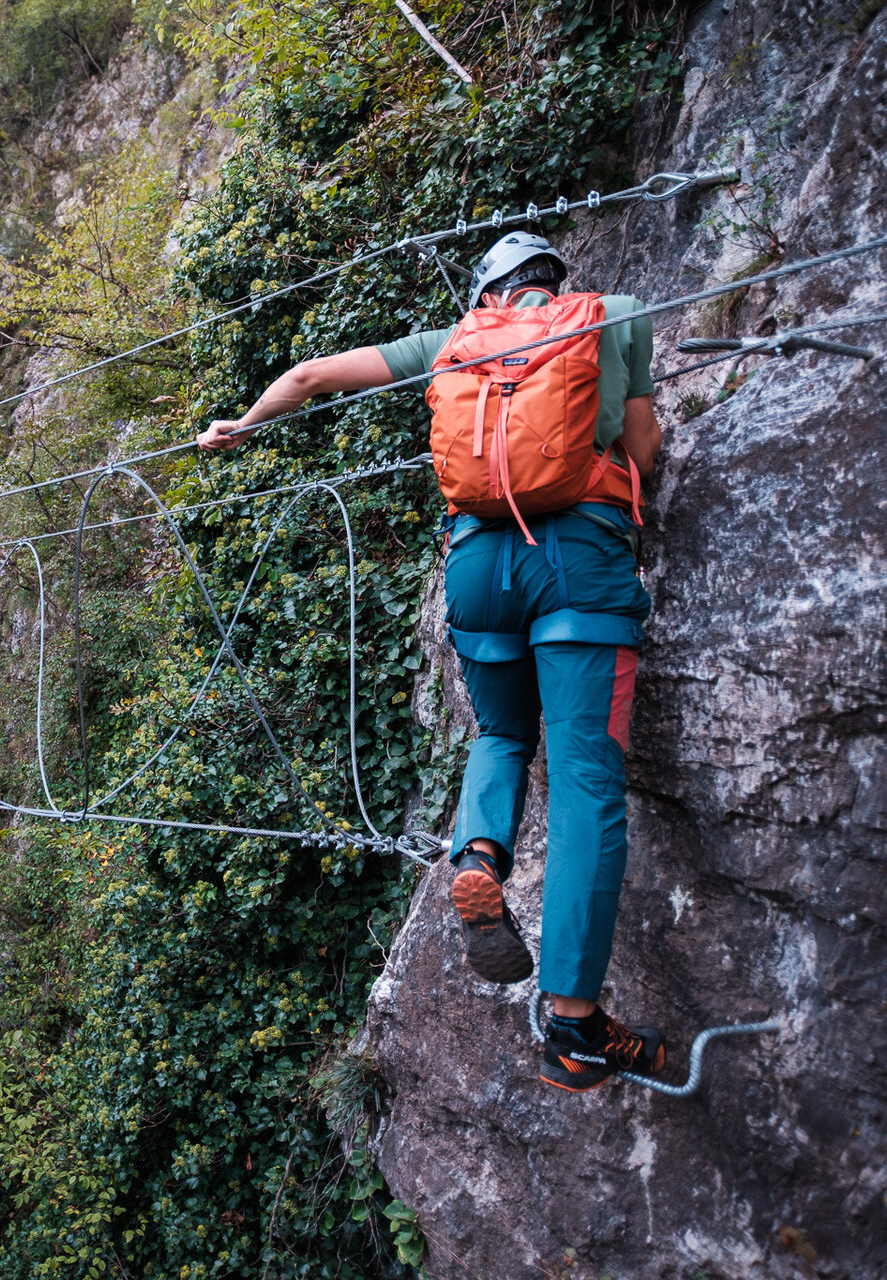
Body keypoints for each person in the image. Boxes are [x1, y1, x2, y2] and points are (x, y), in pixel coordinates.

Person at [196, 231, 667, 1092]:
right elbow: (640, 451)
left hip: (477, 568)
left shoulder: (453, 343)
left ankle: (479, 856)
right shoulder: (618, 318)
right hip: (579, 565)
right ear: (553, 283)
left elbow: (308, 376)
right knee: (587, 783)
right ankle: (575, 1026)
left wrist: (242, 425)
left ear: (486, 296)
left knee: (499, 732)